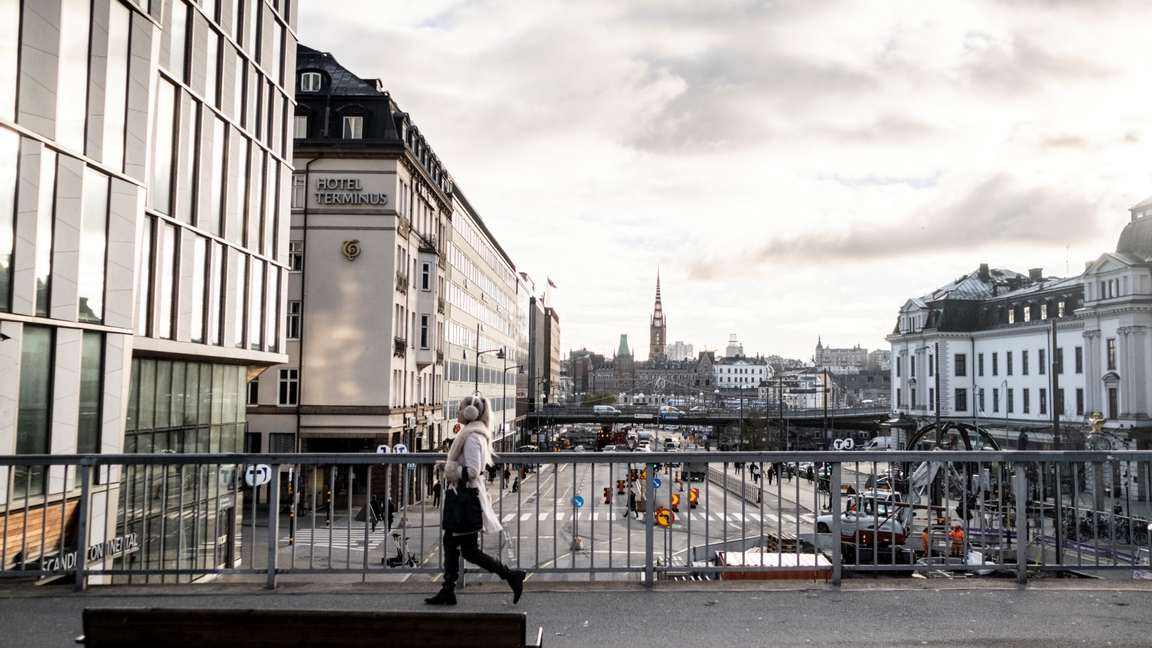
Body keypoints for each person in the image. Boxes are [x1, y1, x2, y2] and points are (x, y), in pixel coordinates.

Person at [425, 394, 525, 607]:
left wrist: (446, 468)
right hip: (464, 497)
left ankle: (510, 576)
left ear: (470, 413)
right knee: (453, 544)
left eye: (460, 408)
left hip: (466, 499)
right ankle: (448, 589)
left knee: (466, 549)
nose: (458, 412)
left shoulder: (471, 437)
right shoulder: (471, 434)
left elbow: (472, 471)